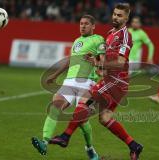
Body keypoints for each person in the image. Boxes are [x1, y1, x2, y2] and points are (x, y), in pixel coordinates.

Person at [49, 3, 143, 160]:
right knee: (104, 118)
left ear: (126, 18)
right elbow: (104, 59)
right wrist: (100, 66)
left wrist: (98, 63)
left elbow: (120, 62)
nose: (115, 17)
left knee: (84, 103)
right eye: (114, 14)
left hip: (116, 81)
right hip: (110, 79)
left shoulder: (125, 35)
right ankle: (134, 146)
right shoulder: (111, 33)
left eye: (119, 15)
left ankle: (65, 137)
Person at [31, 15, 105, 160]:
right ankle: (44, 142)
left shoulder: (99, 40)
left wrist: (96, 62)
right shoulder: (77, 41)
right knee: (54, 107)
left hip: (87, 82)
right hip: (69, 82)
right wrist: (55, 75)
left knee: (81, 119)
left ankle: (90, 148)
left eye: (86, 24)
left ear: (93, 26)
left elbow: (103, 62)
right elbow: (70, 60)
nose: (82, 26)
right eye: (81, 23)